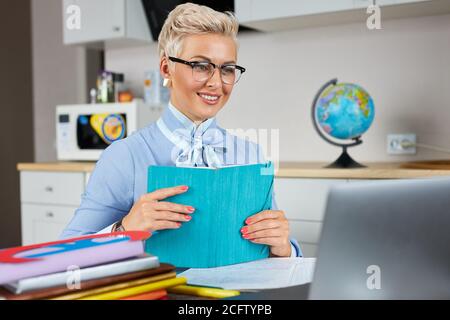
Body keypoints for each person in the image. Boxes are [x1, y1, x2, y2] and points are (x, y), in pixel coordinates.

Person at [60, 3, 302, 258]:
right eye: (200, 66)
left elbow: (276, 256)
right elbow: (65, 256)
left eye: (228, 69)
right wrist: (125, 228)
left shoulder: (251, 154)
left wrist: (284, 247)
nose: (216, 82)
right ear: (166, 68)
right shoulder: (125, 157)